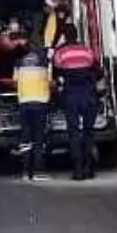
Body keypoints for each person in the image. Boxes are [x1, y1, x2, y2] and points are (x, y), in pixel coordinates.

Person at [53, 25, 104, 181]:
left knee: (74, 132)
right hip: (89, 95)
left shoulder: (60, 53)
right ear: (76, 35)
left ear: (65, 36)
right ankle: (89, 168)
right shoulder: (87, 51)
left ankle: (78, 170)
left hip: (71, 96)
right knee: (88, 132)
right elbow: (99, 71)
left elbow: (57, 75)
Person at [15, 47, 52, 181]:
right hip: (41, 102)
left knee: (26, 137)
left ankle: (25, 171)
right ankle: (38, 171)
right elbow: (50, 82)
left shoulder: (19, 62)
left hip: (24, 102)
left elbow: (14, 81)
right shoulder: (44, 63)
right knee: (39, 137)